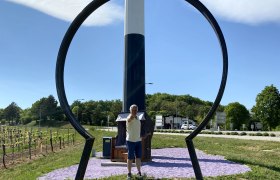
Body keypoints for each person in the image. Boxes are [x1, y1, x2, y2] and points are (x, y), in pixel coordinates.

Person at [126, 104, 142, 179]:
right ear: (130, 111)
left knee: (138, 157)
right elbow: (129, 120)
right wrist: (132, 116)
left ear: (137, 111)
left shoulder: (138, 118)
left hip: (138, 140)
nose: (134, 111)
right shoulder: (129, 117)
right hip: (130, 140)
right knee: (130, 157)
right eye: (133, 110)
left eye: (136, 110)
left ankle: (139, 172)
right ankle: (129, 173)